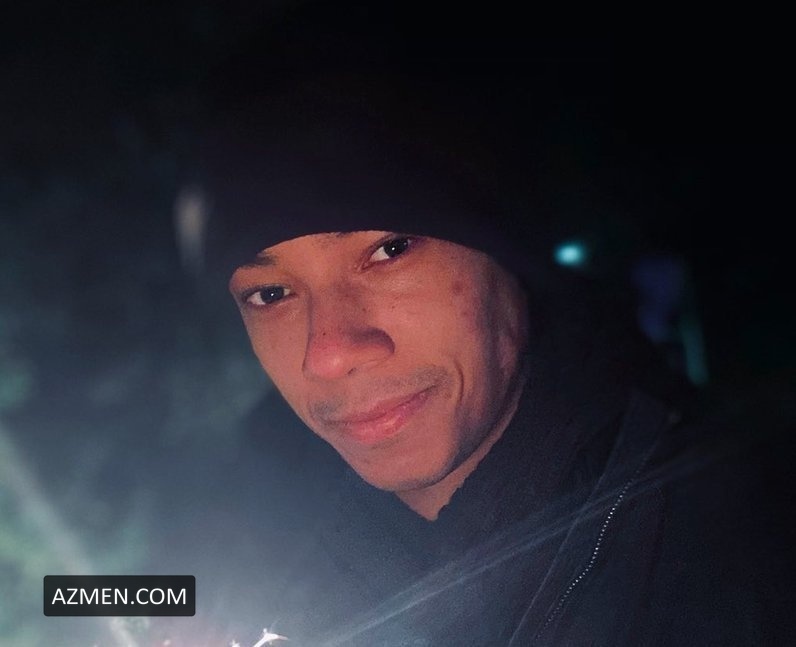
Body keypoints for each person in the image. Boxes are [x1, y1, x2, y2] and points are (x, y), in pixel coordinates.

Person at [199, 72, 791, 646]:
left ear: (508, 254)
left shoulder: (746, 553)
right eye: (270, 294)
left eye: (390, 250)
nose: (328, 355)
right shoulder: (232, 583)